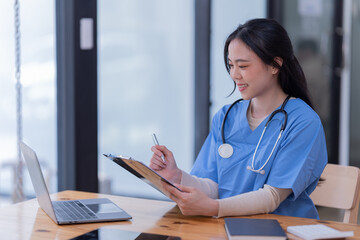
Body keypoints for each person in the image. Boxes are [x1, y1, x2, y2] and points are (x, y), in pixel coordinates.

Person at [150, 18, 327, 219]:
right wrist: (177, 176)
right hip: (227, 227)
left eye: (242, 66)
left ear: (275, 65)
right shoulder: (226, 117)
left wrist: (213, 208)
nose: (234, 75)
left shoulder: (302, 122)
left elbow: (272, 197)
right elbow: (213, 186)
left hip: (283, 230)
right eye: (230, 65)